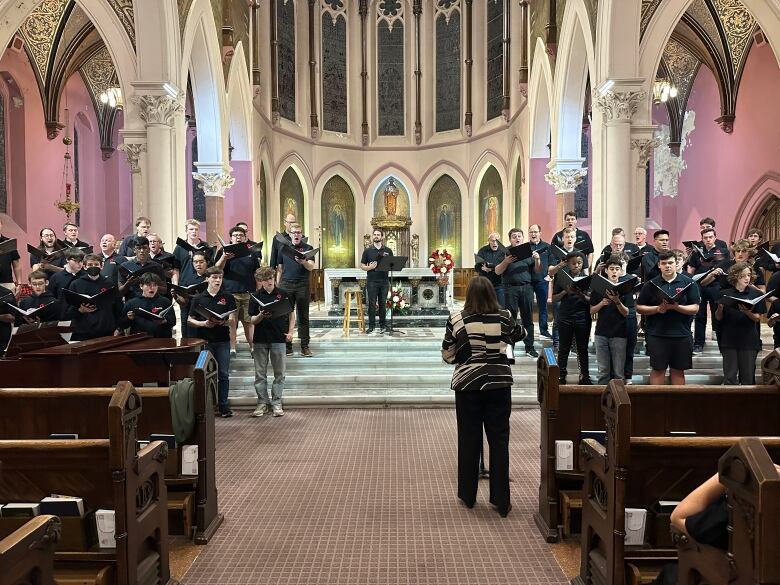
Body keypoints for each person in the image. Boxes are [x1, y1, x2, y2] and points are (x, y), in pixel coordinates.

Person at [441, 276, 525, 517]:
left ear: (468, 295)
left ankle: (468, 496)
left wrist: (467, 357)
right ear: (492, 294)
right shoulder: (505, 316)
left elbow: (448, 354)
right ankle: (501, 500)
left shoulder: (457, 318)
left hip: (468, 385)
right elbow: (520, 333)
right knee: (499, 440)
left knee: (469, 438)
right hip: (499, 384)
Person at [637, 251, 700, 385]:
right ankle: (655, 404)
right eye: (664, 263)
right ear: (659, 265)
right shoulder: (650, 285)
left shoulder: (689, 283)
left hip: (681, 334)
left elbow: (695, 308)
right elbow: (639, 307)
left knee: (678, 370)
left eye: (670, 263)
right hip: (657, 334)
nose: (667, 266)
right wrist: (657, 309)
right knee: (658, 370)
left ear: (676, 263)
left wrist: (677, 307)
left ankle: (677, 404)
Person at [188, 267, 237, 417]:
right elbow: (190, 320)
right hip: (205, 341)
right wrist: (203, 324)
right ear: (207, 279)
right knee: (205, 374)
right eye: (214, 277)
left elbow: (233, 320)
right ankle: (207, 406)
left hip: (222, 340)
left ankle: (223, 405)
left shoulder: (228, 297)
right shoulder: (198, 298)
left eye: (220, 277)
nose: (217, 280)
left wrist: (223, 322)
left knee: (223, 373)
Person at [249, 266, 295, 418]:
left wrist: (291, 332)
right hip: (260, 339)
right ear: (260, 281)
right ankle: (262, 403)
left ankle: (276, 402)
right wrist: (261, 315)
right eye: (265, 280)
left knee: (279, 373)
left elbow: (291, 314)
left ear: (274, 278)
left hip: (278, 338)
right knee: (260, 374)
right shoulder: (255, 296)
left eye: (270, 278)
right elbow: (252, 320)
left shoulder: (283, 294)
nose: (268, 282)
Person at [714, 262, 764, 385]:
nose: (747, 278)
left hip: (749, 339)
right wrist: (720, 308)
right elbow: (718, 318)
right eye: (743, 275)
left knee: (747, 376)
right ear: (735, 276)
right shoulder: (724, 293)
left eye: (749, 275)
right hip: (729, 338)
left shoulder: (756, 294)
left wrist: (747, 312)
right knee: (730, 376)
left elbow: (758, 318)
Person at [215, 226, 261, 356]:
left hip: (248, 292)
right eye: (235, 235)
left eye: (241, 235)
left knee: (249, 322)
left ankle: (253, 348)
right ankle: (232, 349)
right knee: (231, 322)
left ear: (245, 237)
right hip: (230, 292)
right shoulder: (224, 251)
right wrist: (224, 258)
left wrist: (258, 291)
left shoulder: (251, 252)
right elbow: (217, 269)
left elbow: (256, 273)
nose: (238, 237)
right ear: (230, 238)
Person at [495, 228, 539, 358]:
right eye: (514, 236)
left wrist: (537, 259)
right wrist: (506, 261)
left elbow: (537, 270)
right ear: (510, 239)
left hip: (526, 288)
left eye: (519, 236)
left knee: (528, 320)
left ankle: (529, 347)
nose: (517, 238)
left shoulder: (528, 251)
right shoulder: (504, 252)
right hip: (510, 289)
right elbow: (497, 271)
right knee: (510, 319)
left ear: (523, 238)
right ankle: (509, 349)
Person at [590, 256, 633, 385]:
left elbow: (626, 313)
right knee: (603, 371)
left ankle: (617, 402)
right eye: (611, 269)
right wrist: (602, 303)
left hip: (619, 333)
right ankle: (602, 401)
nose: (614, 272)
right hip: (601, 333)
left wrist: (617, 301)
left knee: (618, 373)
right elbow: (591, 310)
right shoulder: (599, 288)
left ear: (620, 271)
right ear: (606, 271)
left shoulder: (626, 289)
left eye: (617, 269)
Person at [552, 252, 593, 384]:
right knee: (564, 347)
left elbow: (590, 300)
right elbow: (554, 298)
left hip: (582, 317)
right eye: (573, 263)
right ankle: (561, 375)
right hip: (565, 316)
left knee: (582, 348)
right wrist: (565, 291)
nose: (576, 266)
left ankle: (584, 375)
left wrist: (579, 293)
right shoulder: (561, 277)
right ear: (568, 264)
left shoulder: (587, 279)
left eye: (579, 263)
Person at [687, 227, 729, 353]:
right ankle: (699, 343)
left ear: (715, 237)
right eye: (705, 238)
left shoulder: (723, 251)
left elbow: (725, 268)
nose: (708, 240)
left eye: (710, 237)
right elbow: (692, 268)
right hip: (699, 286)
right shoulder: (696, 252)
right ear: (702, 239)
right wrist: (691, 281)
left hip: (716, 286)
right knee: (700, 315)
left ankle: (721, 341)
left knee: (717, 312)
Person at [276, 223, 315, 356]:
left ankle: (305, 346)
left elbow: (311, 267)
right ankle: (288, 345)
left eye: (299, 232)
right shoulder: (283, 248)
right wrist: (277, 285)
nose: (296, 235)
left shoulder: (308, 248)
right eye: (294, 233)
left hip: (302, 285)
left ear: (301, 234)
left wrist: (303, 262)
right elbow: (280, 268)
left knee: (303, 316)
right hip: (286, 284)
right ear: (290, 234)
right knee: (286, 315)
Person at [64, 254, 122, 341]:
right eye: (90, 265)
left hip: (106, 330)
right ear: (84, 266)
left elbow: (118, 307)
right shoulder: (76, 284)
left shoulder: (110, 284)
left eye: (96, 264)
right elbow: (68, 310)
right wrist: (80, 310)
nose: (93, 267)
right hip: (83, 332)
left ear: (101, 266)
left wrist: (118, 327)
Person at [548, 227, 579, 350]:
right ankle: (557, 342)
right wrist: (560, 265)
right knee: (558, 319)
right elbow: (550, 271)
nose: (569, 239)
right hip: (559, 290)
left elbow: (585, 273)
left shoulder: (579, 253)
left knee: (575, 318)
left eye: (572, 237)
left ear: (575, 238)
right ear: (563, 239)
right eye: (567, 237)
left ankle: (573, 343)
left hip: (575, 291)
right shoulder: (556, 253)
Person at [119, 272, 176, 338]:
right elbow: (121, 324)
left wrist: (165, 321)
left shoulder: (165, 301)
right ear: (141, 286)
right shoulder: (131, 303)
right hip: (140, 341)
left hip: (162, 340)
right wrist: (128, 318)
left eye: (155, 285)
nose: (152, 288)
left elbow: (173, 321)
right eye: (148, 285)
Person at [360, 228, 393, 335]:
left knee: (383, 304)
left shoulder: (388, 251)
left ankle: (383, 325)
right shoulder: (367, 251)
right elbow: (362, 265)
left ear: (382, 237)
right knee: (372, 304)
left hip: (384, 281)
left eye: (378, 234)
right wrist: (369, 267)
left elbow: (392, 264)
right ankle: (371, 326)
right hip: (372, 282)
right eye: (374, 234)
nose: (376, 236)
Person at [174, 250, 209, 338]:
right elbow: (183, 300)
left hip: (207, 314)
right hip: (192, 313)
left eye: (201, 262)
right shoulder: (188, 279)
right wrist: (176, 296)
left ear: (207, 262)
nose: (198, 264)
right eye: (195, 262)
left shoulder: (212, 277)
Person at [118, 237, 166, 301]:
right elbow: (120, 291)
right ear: (134, 250)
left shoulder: (157, 266)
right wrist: (128, 283)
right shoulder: (124, 266)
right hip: (132, 302)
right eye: (139, 248)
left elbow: (164, 290)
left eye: (144, 248)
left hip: (152, 302)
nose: (142, 251)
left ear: (149, 250)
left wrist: (149, 285)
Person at [173, 219, 213, 288]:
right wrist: (176, 286)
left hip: (202, 284)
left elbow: (211, 266)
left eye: (196, 229)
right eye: (191, 229)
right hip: (184, 284)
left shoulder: (206, 247)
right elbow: (176, 268)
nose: (194, 231)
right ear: (186, 231)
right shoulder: (180, 247)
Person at [528, 225, 552, 338]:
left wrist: (549, 275)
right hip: (527, 281)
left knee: (543, 306)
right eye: (531, 232)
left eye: (535, 232)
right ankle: (527, 330)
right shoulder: (525, 247)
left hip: (542, 281)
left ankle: (543, 329)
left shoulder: (547, 247)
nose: (533, 234)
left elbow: (551, 262)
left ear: (540, 233)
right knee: (527, 306)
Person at [475, 232, 506, 307]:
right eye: (492, 240)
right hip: (485, 284)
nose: (494, 242)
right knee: (484, 307)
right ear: (489, 241)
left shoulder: (504, 251)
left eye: (497, 240)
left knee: (501, 307)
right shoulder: (482, 250)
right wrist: (483, 269)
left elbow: (506, 266)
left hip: (500, 284)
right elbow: (477, 267)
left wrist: (492, 269)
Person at [0, 217, 21, 297]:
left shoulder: (9, 242)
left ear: (1, 225)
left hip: (7, 283)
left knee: (8, 309)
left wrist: (19, 283)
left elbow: (17, 265)